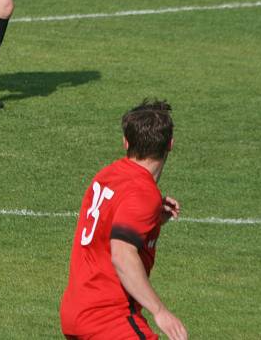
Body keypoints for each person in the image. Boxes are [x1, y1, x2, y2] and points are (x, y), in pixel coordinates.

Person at [60, 100, 188, 340]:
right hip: (109, 319)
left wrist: (153, 220)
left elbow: (107, 226)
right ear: (170, 144)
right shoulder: (142, 193)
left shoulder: (107, 176)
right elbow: (121, 254)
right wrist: (160, 311)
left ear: (126, 142)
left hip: (75, 312)